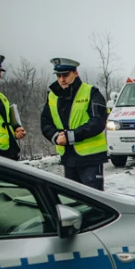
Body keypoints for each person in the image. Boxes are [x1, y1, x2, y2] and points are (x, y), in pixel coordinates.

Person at [41, 57, 108, 191]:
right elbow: (45, 122)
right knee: (75, 200)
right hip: (68, 157)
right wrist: (55, 137)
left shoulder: (91, 92)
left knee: (94, 200)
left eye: (65, 75)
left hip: (91, 158)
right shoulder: (53, 95)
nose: (61, 79)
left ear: (75, 73)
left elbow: (98, 122)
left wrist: (71, 136)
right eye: (58, 75)